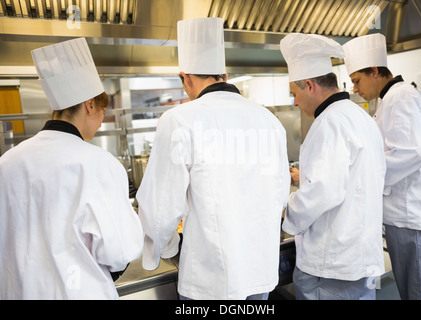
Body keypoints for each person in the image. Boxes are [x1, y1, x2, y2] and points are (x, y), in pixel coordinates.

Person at [136, 17, 291, 300]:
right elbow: (280, 197)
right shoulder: (269, 121)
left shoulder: (179, 120)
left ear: (186, 78)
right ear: (225, 76)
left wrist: (167, 248)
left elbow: (161, 208)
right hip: (260, 276)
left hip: (209, 281)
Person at [0, 38, 143, 299]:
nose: (101, 121)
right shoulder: (98, 163)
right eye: (102, 110)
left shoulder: (6, 162)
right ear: (89, 105)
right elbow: (119, 253)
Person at [280, 33, 386, 300]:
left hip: (331, 265)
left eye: (294, 93)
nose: (294, 102)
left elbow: (324, 192)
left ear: (310, 85)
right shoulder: (360, 117)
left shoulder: (329, 122)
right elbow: (351, 181)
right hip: (358, 257)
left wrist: (286, 211)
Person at [343, 33, 421, 300]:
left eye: (357, 80)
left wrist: (365, 172)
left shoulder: (401, 97)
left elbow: (414, 151)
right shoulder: (387, 99)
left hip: (413, 216)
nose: (355, 88)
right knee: (412, 291)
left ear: (375, 71)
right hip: (402, 215)